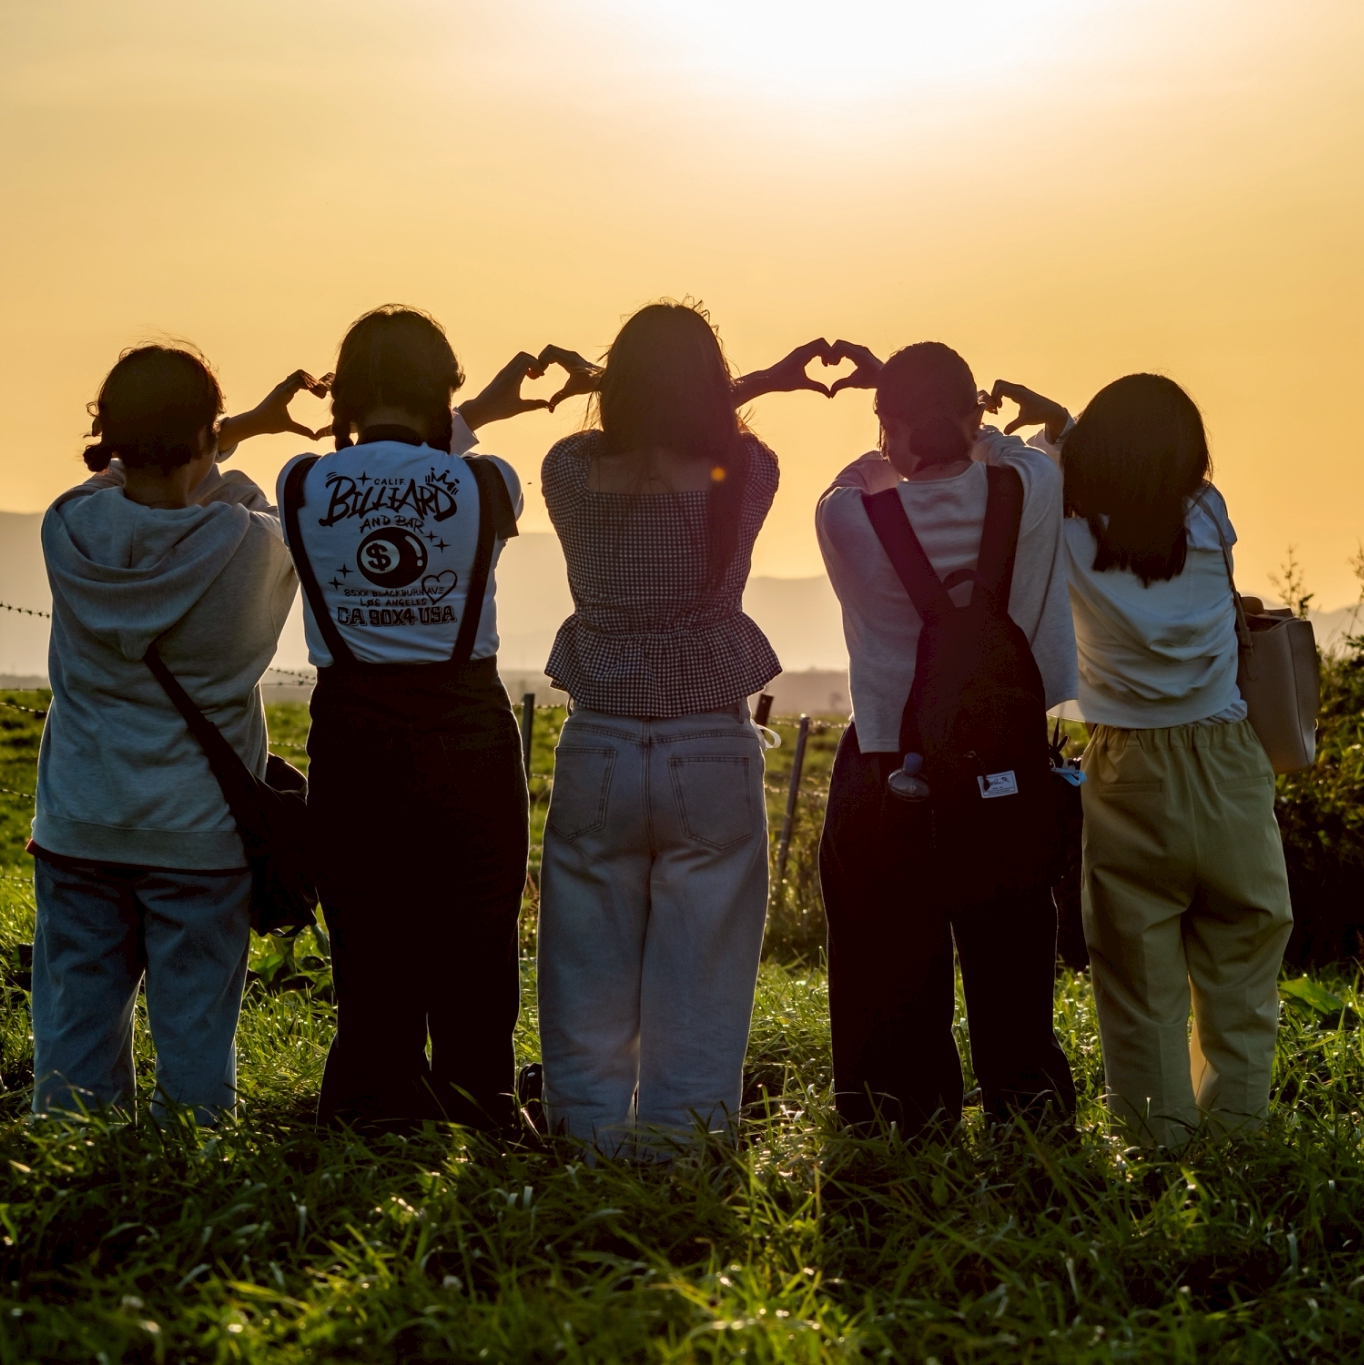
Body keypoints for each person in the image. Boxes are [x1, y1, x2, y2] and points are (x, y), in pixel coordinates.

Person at [535, 300, 833, 1155]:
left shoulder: (569, 472)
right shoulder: (747, 472)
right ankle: (685, 1156)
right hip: (708, 739)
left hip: (599, 737)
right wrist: (764, 380)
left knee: (584, 970)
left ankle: (586, 1151)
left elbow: (629, 421)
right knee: (704, 973)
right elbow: (709, 424)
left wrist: (615, 384)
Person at [278, 305, 579, 1132]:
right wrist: (475, 415)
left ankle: (370, 1117)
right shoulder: (491, 482)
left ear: (344, 395)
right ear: (442, 390)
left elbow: (385, 464)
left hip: (353, 735)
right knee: (477, 947)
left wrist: (460, 413)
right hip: (467, 734)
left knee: (368, 947)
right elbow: (433, 466)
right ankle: (480, 1117)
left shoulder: (298, 483)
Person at [30, 342, 321, 1124]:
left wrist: (224, 428)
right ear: (204, 434)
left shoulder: (68, 527)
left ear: (108, 433)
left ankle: (65, 1169)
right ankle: (190, 1172)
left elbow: (120, 481)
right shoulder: (248, 545)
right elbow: (237, 496)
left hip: (80, 821)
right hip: (201, 836)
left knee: (73, 1038)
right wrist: (235, 433)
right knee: (197, 1043)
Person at [813, 340, 1081, 1133]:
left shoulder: (848, 516)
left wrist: (891, 411)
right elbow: (1017, 447)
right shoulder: (1032, 487)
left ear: (888, 423)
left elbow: (861, 472)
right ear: (976, 414)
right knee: (1013, 954)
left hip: (893, 766)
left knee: (887, 960)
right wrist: (969, 420)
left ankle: (901, 1117)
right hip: (1006, 764)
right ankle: (1028, 1114)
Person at [1060, 373, 1294, 1149]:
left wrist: (1056, 429)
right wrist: (1070, 425)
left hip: (1128, 764)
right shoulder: (1208, 515)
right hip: (1228, 755)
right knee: (1243, 965)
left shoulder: (1067, 534)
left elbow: (1038, 469)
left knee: (1138, 980)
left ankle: (1156, 1143)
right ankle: (1239, 1139)